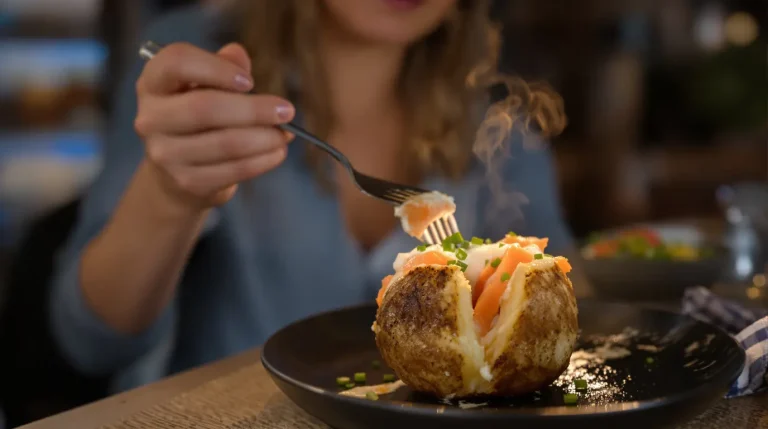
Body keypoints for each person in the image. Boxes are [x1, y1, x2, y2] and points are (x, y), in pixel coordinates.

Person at [49, 0, 585, 393]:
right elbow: (91, 343)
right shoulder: (200, 69)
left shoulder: (497, 114)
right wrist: (169, 195)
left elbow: (567, 312)